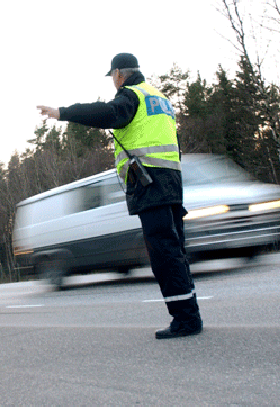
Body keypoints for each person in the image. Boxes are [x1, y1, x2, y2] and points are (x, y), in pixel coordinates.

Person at [37, 52, 202, 339]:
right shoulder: (158, 97)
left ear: (118, 74)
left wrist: (63, 113)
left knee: (164, 256)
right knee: (176, 252)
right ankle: (190, 315)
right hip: (172, 184)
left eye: (113, 78)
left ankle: (186, 320)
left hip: (151, 184)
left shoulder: (131, 95)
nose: (114, 84)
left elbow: (109, 114)